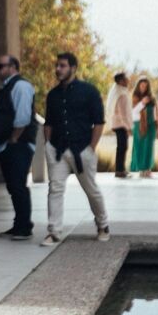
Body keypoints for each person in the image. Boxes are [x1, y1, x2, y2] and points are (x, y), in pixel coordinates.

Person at [42, 51, 109, 243]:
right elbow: (49, 122)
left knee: (91, 189)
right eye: (57, 65)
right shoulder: (53, 95)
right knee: (55, 189)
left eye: (62, 66)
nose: (58, 69)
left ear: (73, 68)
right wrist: (47, 145)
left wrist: (91, 148)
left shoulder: (89, 91)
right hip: (57, 150)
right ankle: (54, 231)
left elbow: (99, 122)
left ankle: (103, 225)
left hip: (82, 150)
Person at [0, 53, 36, 238]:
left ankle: (24, 227)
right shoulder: (6, 87)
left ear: (13, 67)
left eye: (1, 66)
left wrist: (14, 139)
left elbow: (23, 116)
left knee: (18, 185)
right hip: (8, 145)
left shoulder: (21, 86)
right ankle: (19, 224)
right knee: (13, 186)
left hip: (18, 145)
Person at [128, 75, 158, 178]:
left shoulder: (152, 98)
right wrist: (142, 103)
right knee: (140, 147)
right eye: (141, 86)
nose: (143, 88)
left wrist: (157, 124)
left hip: (151, 125)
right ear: (138, 86)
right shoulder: (135, 97)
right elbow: (133, 112)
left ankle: (148, 169)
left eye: (145, 86)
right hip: (138, 125)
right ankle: (141, 169)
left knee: (149, 148)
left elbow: (155, 112)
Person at [107, 71, 133, 178]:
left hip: (117, 123)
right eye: (126, 78)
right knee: (122, 147)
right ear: (121, 81)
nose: (128, 79)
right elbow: (123, 113)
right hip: (121, 124)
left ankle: (121, 169)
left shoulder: (117, 91)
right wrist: (128, 127)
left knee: (121, 147)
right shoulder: (121, 93)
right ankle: (119, 170)